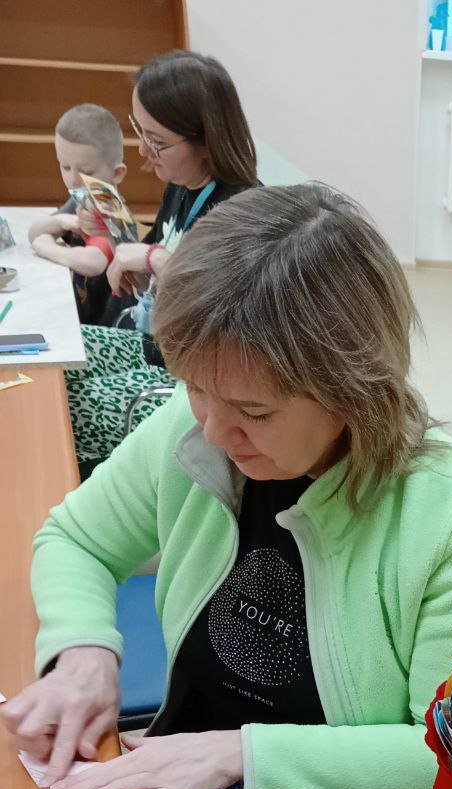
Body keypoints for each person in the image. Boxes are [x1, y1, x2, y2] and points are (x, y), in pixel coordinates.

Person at [1, 183, 452, 789]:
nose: (213, 431)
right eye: (195, 390)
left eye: (253, 411)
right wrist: (83, 650)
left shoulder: (451, 515)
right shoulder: (198, 426)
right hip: (194, 772)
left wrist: (240, 755)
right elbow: (76, 538)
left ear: (353, 391)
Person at [64, 49, 258, 478]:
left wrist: (157, 259)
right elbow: (144, 274)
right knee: (59, 361)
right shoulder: (181, 187)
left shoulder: (242, 211)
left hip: (192, 384)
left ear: (207, 141)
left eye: (157, 142)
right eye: (140, 131)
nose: (142, 151)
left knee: (71, 405)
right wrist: (118, 239)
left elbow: (228, 315)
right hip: (153, 347)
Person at [28, 104, 129, 327]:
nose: (73, 180)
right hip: (81, 314)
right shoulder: (82, 197)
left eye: (86, 171)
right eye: (65, 167)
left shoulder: (110, 207)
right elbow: (34, 231)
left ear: (116, 173)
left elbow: (92, 263)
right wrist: (63, 221)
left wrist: (47, 247)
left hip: (104, 327)